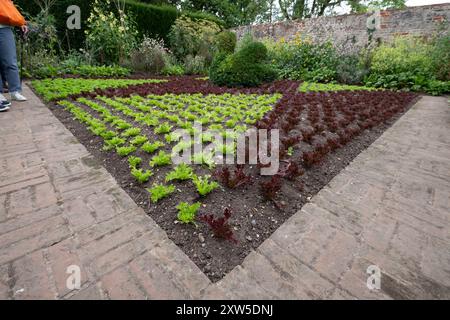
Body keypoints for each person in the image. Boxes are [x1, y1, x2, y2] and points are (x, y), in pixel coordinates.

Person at [0, 6, 28, 112]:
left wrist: (21, 23)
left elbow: (8, 9)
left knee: (10, 61)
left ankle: (15, 91)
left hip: (4, 29)